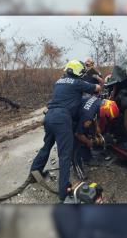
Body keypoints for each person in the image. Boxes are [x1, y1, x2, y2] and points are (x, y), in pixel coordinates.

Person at [30, 60, 101, 201]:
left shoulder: (59, 81)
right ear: (78, 72)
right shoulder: (77, 83)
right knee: (65, 156)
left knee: (47, 146)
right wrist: (95, 74)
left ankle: (34, 173)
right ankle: (63, 192)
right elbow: (97, 88)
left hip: (49, 116)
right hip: (62, 119)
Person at [74, 96, 119, 169]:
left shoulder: (98, 101)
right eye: (107, 116)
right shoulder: (87, 117)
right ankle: (85, 160)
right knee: (81, 138)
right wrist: (88, 142)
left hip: (80, 112)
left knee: (89, 130)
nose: (106, 118)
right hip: (68, 118)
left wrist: (97, 126)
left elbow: (94, 113)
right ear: (104, 111)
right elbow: (78, 134)